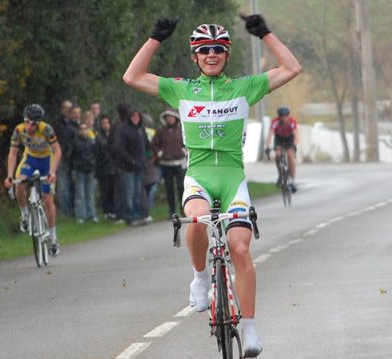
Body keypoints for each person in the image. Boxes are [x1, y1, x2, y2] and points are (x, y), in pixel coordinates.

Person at [123, 14, 301, 357]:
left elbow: (292, 68)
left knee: (240, 249)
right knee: (199, 218)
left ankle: (249, 329)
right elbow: (132, 76)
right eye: (204, 50)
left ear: (227, 55)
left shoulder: (244, 87)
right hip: (200, 176)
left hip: (233, 178)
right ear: (195, 56)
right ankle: (201, 278)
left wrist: (264, 34)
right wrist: (155, 38)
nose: (211, 54)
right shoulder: (181, 89)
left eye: (219, 49)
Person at [4, 104, 62, 256]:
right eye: (27, 122)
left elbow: (57, 151)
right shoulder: (19, 130)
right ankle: (24, 214)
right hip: (29, 160)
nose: (30, 126)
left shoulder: (46, 129)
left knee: (48, 199)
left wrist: (52, 172)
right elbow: (13, 153)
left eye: (33, 124)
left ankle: (53, 237)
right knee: (19, 183)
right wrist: (9, 176)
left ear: (39, 123)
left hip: (46, 161)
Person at [114, 107, 149, 226]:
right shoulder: (122, 129)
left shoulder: (141, 129)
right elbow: (120, 148)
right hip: (127, 167)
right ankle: (130, 216)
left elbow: (145, 146)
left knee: (138, 192)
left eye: (137, 116)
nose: (135, 118)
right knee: (129, 192)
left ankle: (138, 214)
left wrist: (145, 160)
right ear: (129, 117)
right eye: (133, 116)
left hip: (140, 166)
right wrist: (131, 161)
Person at [151, 108, 186, 218]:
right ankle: (172, 212)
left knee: (181, 187)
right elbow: (153, 144)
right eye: (167, 117)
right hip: (166, 164)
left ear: (176, 118)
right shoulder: (161, 131)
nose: (169, 119)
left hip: (180, 163)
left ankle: (183, 210)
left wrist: (185, 151)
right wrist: (159, 153)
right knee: (169, 188)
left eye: (171, 117)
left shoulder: (181, 130)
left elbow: (187, 142)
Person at [265, 106, 298, 192]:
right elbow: (269, 135)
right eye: (281, 116)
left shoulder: (292, 122)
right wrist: (267, 147)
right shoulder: (275, 122)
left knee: (290, 155)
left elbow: (296, 136)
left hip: (289, 139)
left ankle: (293, 181)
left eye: (285, 116)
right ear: (278, 117)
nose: (284, 118)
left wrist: (294, 145)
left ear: (288, 116)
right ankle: (281, 173)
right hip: (279, 138)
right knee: (278, 154)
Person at [71, 121, 98, 223]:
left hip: (90, 170)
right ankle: (81, 215)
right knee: (80, 194)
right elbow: (72, 156)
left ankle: (92, 214)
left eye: (85, 129)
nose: (83, 131)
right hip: (79, 170)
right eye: (81, 129)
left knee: (90, 194)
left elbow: (96, 154)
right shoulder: (75, 142)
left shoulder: (92, 142)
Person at [95, 115, 117, 220]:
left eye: (107, 123)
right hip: (103, 168)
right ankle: (107, 210)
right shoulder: (99, 137)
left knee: (113, 189)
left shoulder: (114, 135)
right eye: (103, 123)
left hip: (113, 167)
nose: (105, 125)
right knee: (105, 190)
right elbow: (98, 153)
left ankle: (113, 210)